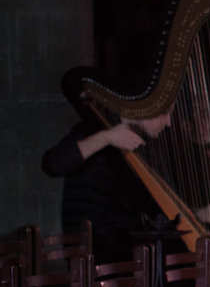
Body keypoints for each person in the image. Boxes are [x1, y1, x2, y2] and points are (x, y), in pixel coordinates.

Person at [41, 108, 174, 263]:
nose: (169, 122)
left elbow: (151, 208)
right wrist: (107, 138)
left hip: (129, 250)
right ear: (144, 112)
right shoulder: (93, 129)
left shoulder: (148, 147)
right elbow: (52, 164)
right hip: (92, 253)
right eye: (164, 113)